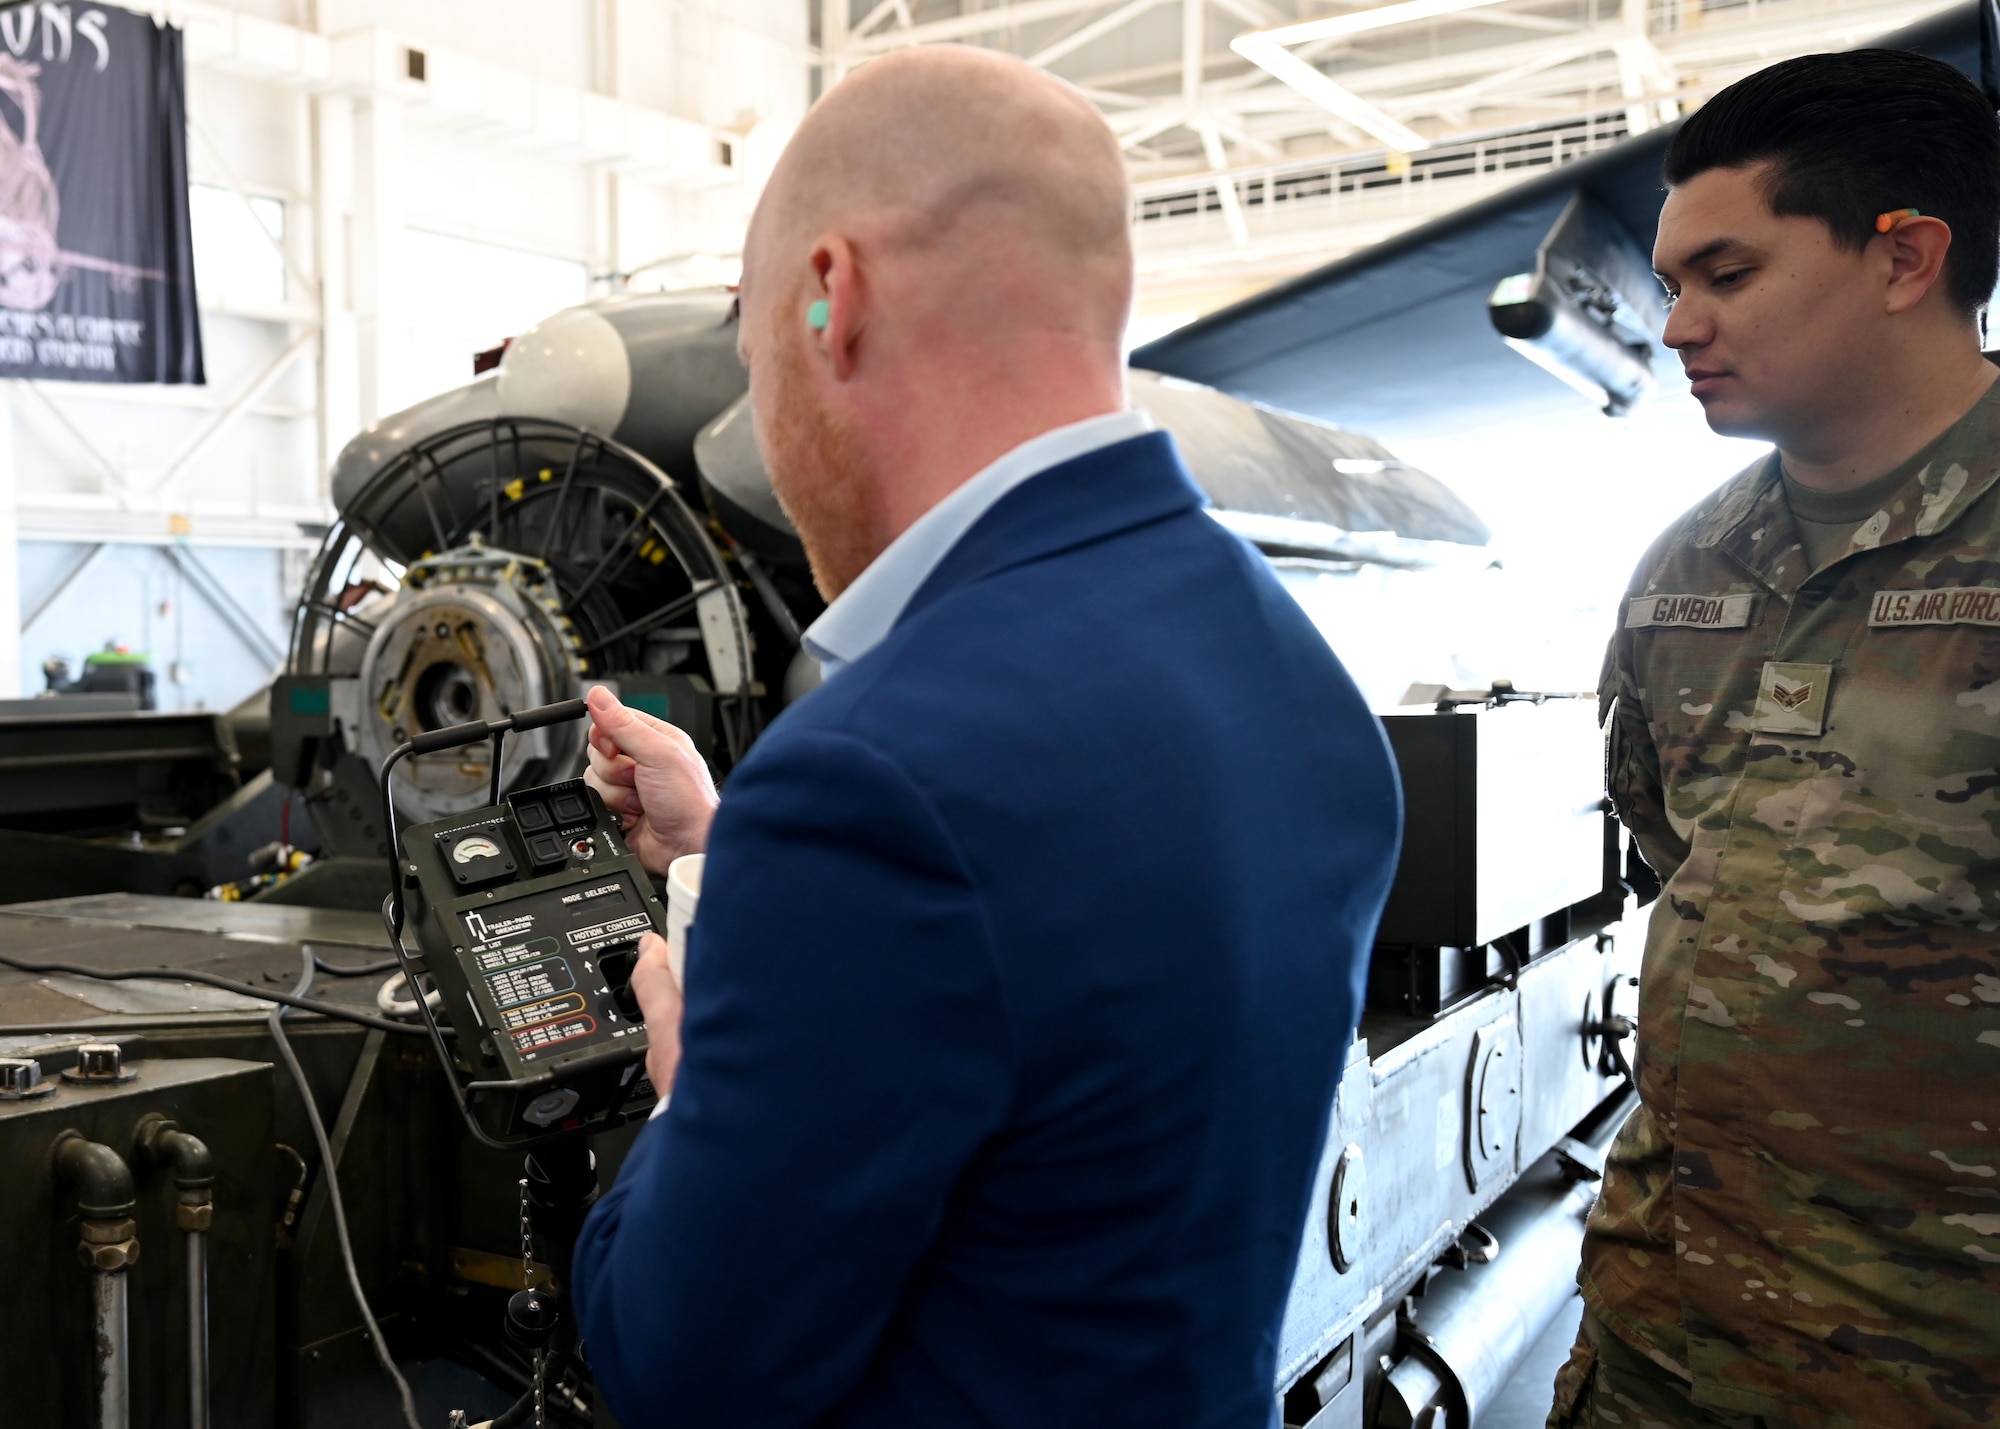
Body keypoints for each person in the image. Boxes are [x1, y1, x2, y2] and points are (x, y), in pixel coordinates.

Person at [569, 45, 1403, 1428]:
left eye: (753, 340)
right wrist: (739, 852)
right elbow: (1050, 940)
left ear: (831, 297)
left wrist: (685, 1088)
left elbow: (684, 1360)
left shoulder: (876, 778)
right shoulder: (1292, 673)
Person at [1551, 48, 2000, 1429]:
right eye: (1674, 283)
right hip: (1664, 1337)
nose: (1679, 323)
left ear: (1905, 254)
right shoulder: (1688, 569)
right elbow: (1677, 856)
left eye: (1728, 276)